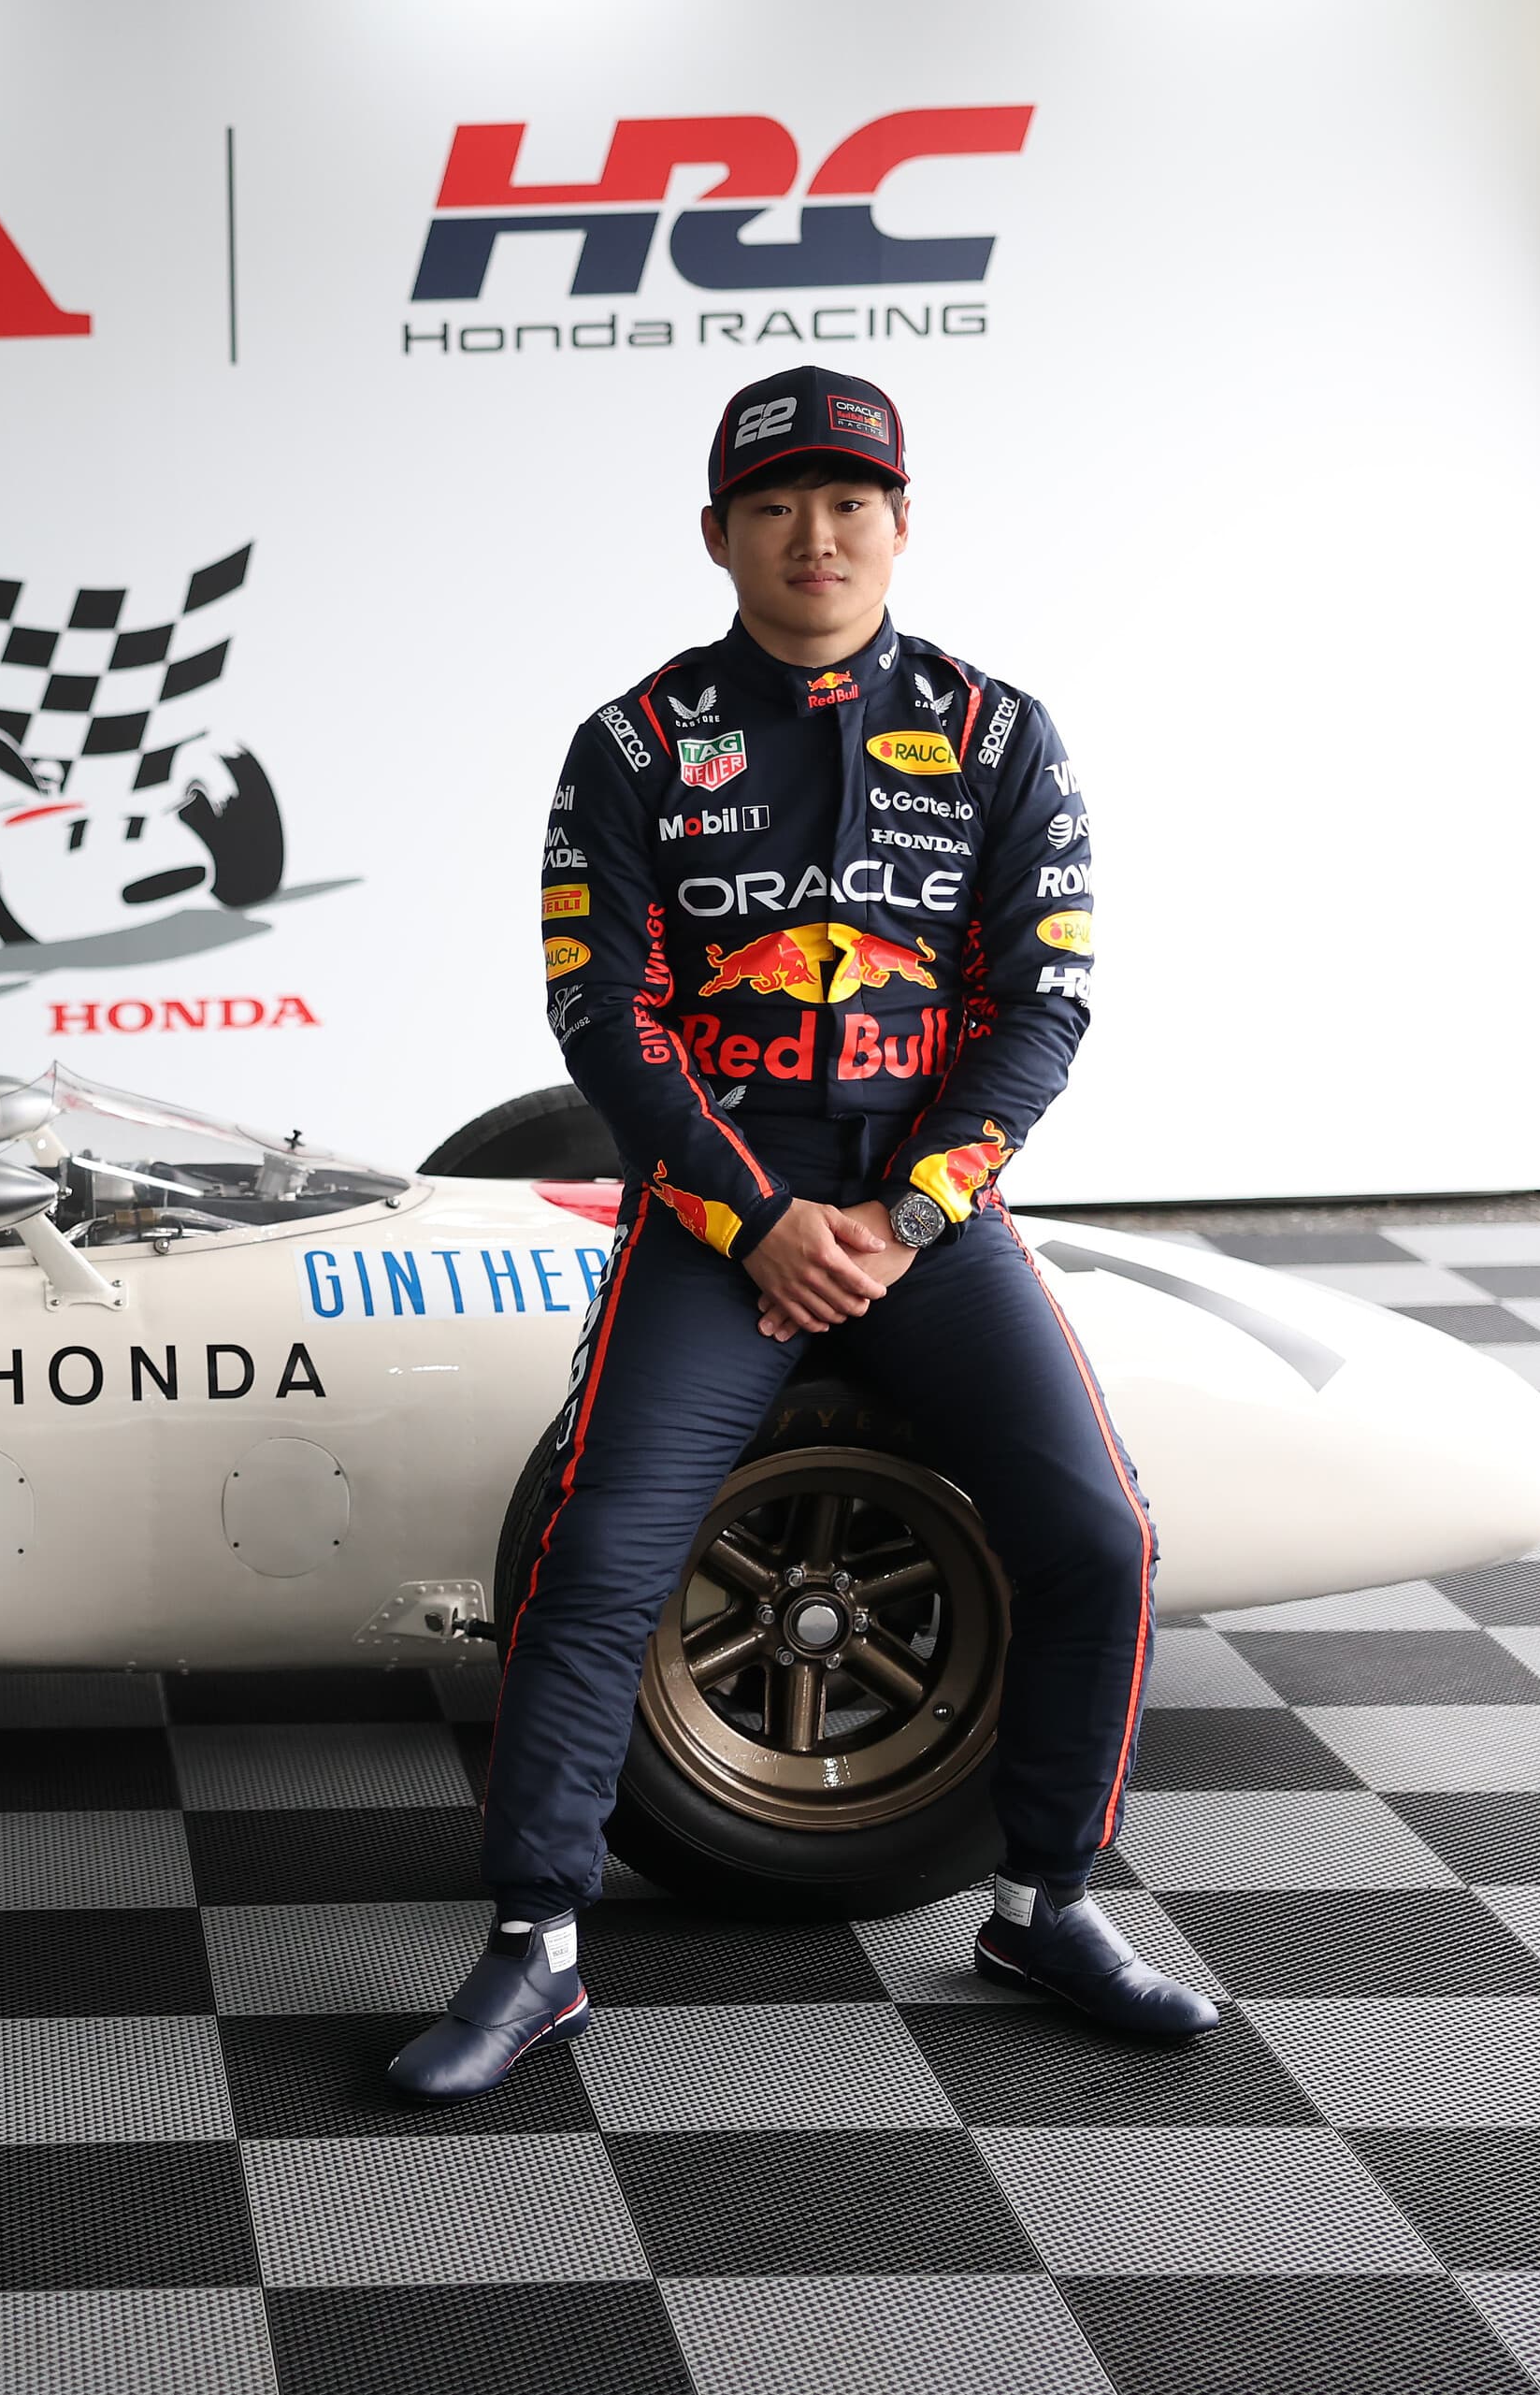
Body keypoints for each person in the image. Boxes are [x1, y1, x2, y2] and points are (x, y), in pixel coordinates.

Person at [386, 366, 1215, 2107]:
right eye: (774, 506)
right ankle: (535, 1945)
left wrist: (905, 1216)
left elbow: (1045, 1008)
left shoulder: (999, 736)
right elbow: (603, 1018)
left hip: (927, 1215)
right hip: (719, 1211)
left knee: (1100, 1537)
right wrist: (758, 1220)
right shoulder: (632, 743)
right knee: (596, 1558)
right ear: (719, 535)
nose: (814, 535)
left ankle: (1046, 1903)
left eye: (849, 503)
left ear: (901, 525)